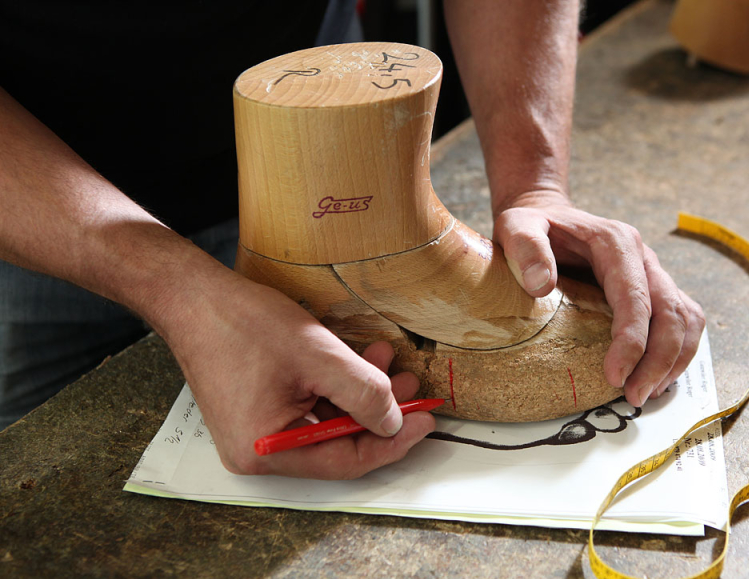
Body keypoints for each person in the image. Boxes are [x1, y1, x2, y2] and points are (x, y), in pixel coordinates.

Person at [0, 0, 704, 479]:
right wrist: (177, 288)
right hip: (34, 218)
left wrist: (534, 185)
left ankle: (339, 262)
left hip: (318, 145)